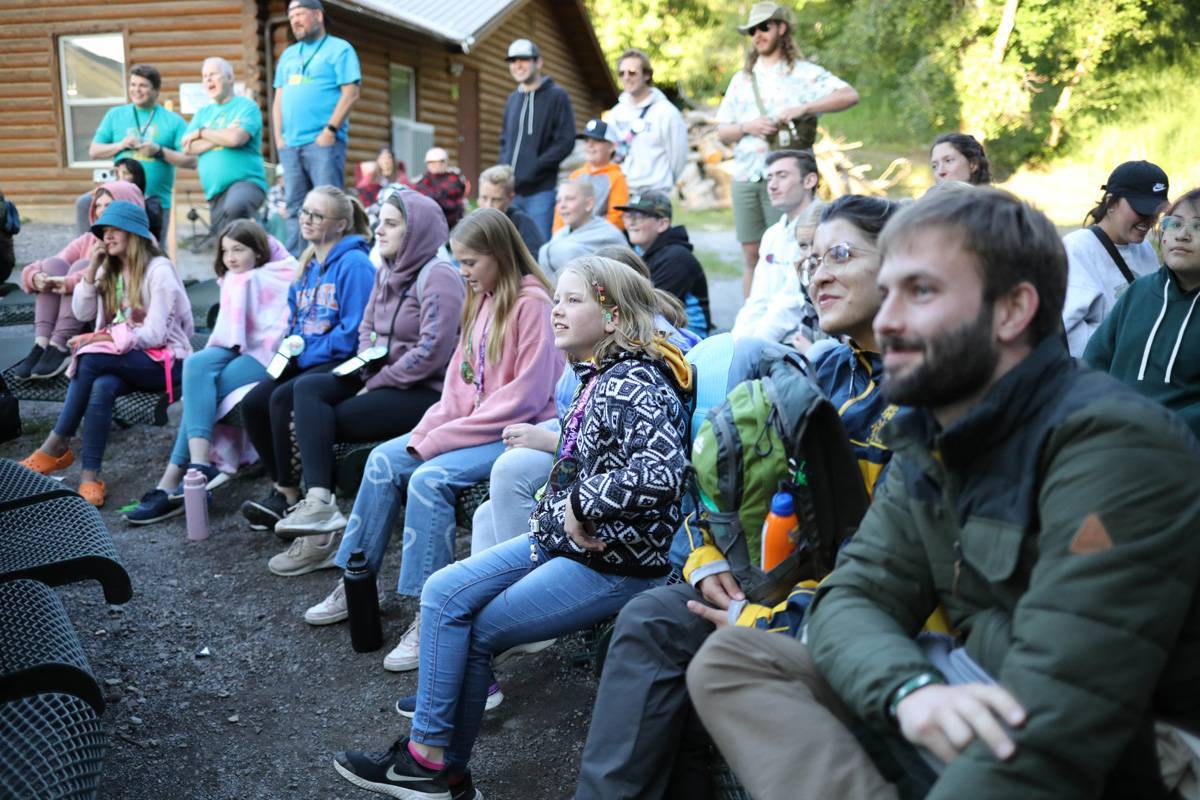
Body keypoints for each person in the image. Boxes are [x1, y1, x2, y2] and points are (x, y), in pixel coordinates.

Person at [686, 186, 1200, 800]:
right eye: (889, 292)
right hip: (968, 691)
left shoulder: (1115, 448)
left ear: (1011, 310)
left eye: (921, 292)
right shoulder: (933, 436)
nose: (888, 320)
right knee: (735, 661)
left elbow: (1069, 702)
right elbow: (852, 598)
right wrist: (908, 689)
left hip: (1117, 743)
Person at [573, 195, 899, 800]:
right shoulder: (826, 370)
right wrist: (704, 557)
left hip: (839, 613)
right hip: (771, 578)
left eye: (840, 255)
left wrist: (759, 619)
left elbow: (891, 571)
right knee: (651, 618)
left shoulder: (922, 395)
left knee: (697, 661)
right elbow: (726, 479)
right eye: (811, 260)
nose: (818, 274)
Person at [331, 255, 693, 800]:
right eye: (556, 299)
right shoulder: (598, 374)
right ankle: (435, 765)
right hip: (565, 544)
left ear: (613, 316)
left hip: (614, 561)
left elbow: (663, 471)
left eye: (574, 300)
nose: (557, 310)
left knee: (475, 627)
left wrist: (583, 503)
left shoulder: (634, 380)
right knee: (443, 592)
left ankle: (433, 765)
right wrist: (567, 506)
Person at [302, 207, 562, 668]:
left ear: (500, 255)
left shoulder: (533, 304)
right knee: (384, 460)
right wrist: (429, 429)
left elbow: (524, 398)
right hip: (473, 427)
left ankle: (433, 612)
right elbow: (457, 388)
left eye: (470, 262)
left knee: (429, 479)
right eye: (459, 262)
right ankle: (356, 580)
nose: (463, 272)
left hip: (516, 433)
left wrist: (443, 438)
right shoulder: (480, 299)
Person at [268, 191, 464, 568]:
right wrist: (366, 368)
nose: (379, 230)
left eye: (391, 223)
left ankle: (322, 535)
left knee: (326, 422)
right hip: (381, 374)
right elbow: (366, 329)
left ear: (416, 230)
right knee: (306, 389)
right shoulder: (387, 269)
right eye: (379, 222)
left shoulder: (439, 276)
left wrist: (374, 382)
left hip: (426, 390)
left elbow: (433, 352)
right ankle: (320, 504)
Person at [19, 201, 194, 507]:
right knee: (102, 385)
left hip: (166, 361)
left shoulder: (159, 270)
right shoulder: (110, 268)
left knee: (90, 357)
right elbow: (82, 312)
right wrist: (90, 272)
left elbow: (155, 335)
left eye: (114, 230)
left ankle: (56, 444)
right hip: (126, 358)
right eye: (104, 232)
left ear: (134, 233)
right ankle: (90, 478)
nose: (107, 237)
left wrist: (104, 338)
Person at [124, 219, 297, 524]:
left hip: (267, 352)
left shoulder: (280, 272)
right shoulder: (236, 276)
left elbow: (277, 326)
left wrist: (247, 280)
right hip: (237, 345)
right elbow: (231, 330)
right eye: (225, 251)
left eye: (238, 250)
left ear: (258, 251)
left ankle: (172, 480)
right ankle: (199, 464)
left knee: (206, 391)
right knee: (196, 365)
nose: (230, 258)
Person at [238, 186, 375, 534]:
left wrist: (305, 353)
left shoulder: (355, 264)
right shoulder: (309, 264)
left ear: (340, 224)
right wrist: (289, 348)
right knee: (253, 403)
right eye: (305, 212)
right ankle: (281, 487)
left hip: (344, 361)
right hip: (307, 357)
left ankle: (287, 493)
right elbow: (296, 320)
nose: (307, 220)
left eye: (317, 215)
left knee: (283, 397)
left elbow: (353, 333)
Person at [716, 2, 858, 297]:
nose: (758, 34)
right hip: (746, 175)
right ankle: (751, 319)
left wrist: (804, 108)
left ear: (781, 28)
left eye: (764, 27)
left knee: (793, 250)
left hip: (789, 176)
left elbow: (849, 95)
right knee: (751, 254)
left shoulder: (804, 73)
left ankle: (798, 316)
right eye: (752, 30)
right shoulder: (742, 80)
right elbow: (722, 132)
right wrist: (748, 127)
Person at [1085, 187, 1200, 438]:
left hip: (1179, 449)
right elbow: (1094, 362)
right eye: (1174, 224)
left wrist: (1161, 429)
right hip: (1108, 438)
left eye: (1197, 226)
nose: (1182, 235)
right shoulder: (1139, 291)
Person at [13, 181, 147, 381]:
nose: (101, 211)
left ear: (126, 205)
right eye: (98, 205)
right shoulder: (89, 239)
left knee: (80, 266)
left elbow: (102, 272)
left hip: (105, 320)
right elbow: (53, 262)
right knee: (51, 265)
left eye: (108, 205)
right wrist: (35, 277)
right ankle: (42, 344)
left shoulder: (139, 244)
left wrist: (68, 282)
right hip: (79, 310)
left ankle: (60, 345)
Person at [273, 0, 362, 255]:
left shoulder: (340, 49)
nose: (294, 20)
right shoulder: (289, 55)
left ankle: (331, 259)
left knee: (327, 206)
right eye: (291, 16)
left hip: (322, 144)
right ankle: (297, 265)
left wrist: (329, 131)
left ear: (318, 15)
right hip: (290, 145)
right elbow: (279, 98)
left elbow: (351, 93)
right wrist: (279, 138)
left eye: (300, 14)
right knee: (295, 208)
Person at [1061, 160, 1170, 358]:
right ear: (1111, 202)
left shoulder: (1145, 249)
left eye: (1156, 211)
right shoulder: (1075, 250)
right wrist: (1129, 345)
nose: (1149, 219)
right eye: (1142, 209)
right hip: (1100, 372)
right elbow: (1068, 332)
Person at [74, 64, 190, 242]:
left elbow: (191, 161)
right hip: (118, 198)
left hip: (153, 200)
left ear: (156, 90)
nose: (136, 90)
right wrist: (121, 145)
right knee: (84, 204)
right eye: (133, 84)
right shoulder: (115, 115)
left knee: (153, 248)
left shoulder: (173, 120)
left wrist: (158, 151)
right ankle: (85, 249)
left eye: (143, 85)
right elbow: (94, 150)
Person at [731, 149, 821, 342]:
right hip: (767, 338)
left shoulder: (824, 229)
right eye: (769, 177)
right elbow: (757, 300)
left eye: (782, 176)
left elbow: (793, 304)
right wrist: (734, 343)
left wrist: (751, 347)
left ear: (809, 181)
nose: (771, 185)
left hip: (805, 341)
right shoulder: (772, 234)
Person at [181, 57, 269, 238]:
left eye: (213, 74)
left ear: (230, 78)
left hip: (247, 182)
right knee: (223, 243)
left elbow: (236, 138)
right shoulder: (203, 113)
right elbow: (188, 146)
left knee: (236, 208)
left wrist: (202, 132)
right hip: (215, 192)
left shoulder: (247, 107)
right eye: (204, 76)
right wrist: (224, 134)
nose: (208, 80)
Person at [498, 38, 576, 240]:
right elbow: (504, 140)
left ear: (538, 62)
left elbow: (565, 141)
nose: (518, 65)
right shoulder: (512, 99)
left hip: (541, 192)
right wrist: (504, 169)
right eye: (513, 61)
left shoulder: (557, 96)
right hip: (510, 192)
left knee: (538, 246)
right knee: (510, 245)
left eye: (524, 59)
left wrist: (535, 167)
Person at [618, 190, 711, 336]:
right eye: (628, 215)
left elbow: (647, 308)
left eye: (639, 216)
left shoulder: (676, 258)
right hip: (653, 327)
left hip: (686, 337)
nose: (631, 222)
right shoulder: (637, 250)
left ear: (662, 224)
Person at [608, 48, 689, 196]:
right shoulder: (615, 113)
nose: (626, 77)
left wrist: (664, 183)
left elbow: (679, 157)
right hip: (622, 192)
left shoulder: (666, 112)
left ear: (646, 75)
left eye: (632, 72)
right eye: (621, 73)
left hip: (655, 193)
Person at [538, 179, 626, 282]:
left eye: (570, 199)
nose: (562, 206)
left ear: (589, 204)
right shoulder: (559, 234)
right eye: (559, 200)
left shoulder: (610, 235)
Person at [552, 119, 629, 234]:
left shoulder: (617, 177)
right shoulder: (576, 175)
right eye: (587, 141)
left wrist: (595, 238)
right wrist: (558, 235)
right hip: (570, 237)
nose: (590, 145)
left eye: (597, 141)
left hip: (599, 239)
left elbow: (617, 217)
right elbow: (561, 211)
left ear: (611, 147)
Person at [477, 164, 545, 256]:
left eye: (496, 199)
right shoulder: (473, 221)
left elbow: (534, 260)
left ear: (510, 198)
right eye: (484, 198)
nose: (488, 206)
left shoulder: (523, 224)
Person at [112, 158, 165, 247]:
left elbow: (152, 228)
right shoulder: (109, 201)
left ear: (137, 177)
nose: (120, 178)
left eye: (125, 173)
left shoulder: (151, 202)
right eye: (116, 174)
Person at [412, 147, 468, 230]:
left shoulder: (455, 179)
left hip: (452, 224)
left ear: (446, 162)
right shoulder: (421, 181)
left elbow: (454, 201)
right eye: (432, 162)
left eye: (441, 162)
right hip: (428, 224)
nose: (436, 165)